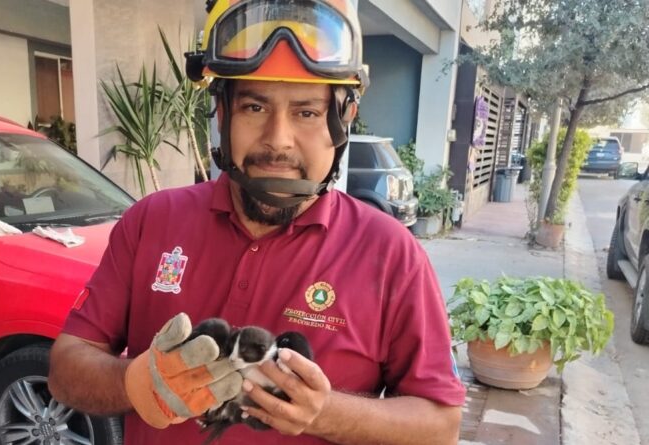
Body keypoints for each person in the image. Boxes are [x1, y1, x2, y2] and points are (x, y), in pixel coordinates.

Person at [48, 0, 466, 443]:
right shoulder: (151, 221)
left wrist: (324, 414)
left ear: (343, 118)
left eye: (306, 112)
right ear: (222, 113)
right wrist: (136, 382)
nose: (278, 140)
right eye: (254, 107)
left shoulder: (390, 253)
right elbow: (66, 367)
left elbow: (441, 425)